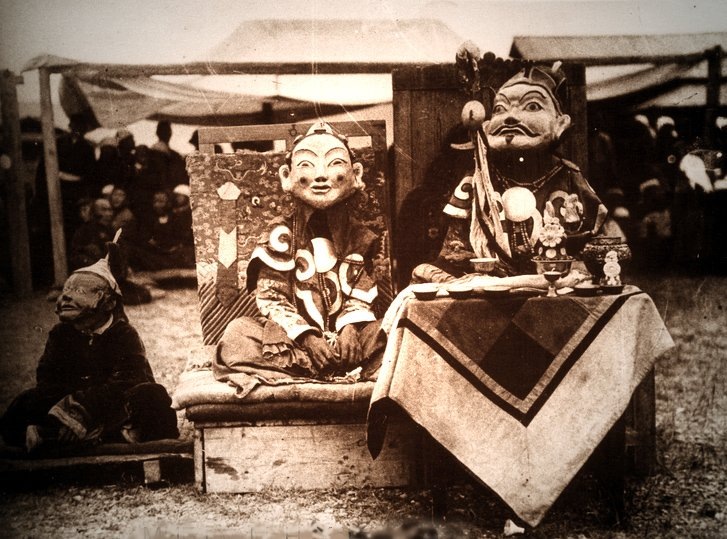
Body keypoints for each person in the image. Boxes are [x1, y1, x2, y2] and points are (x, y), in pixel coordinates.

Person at [214, 122, 386, 383]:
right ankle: (310, 367)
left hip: (351, 342)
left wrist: (350, 327)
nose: (321, 176)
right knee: (237, 335)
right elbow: (271, 298)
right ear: (287, 177)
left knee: (394, 329)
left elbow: (362, 292)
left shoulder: (361, 236)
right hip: (294, 342)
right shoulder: (280, 234)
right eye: (307, 165)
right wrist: (307, 337)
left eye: (334, 163)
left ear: (356, 175)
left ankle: (336, 367)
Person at [415, 62, 607, 283]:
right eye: (500, 109)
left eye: (532, 106)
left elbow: (597, 251)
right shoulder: (476, 181)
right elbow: (453, 253)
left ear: (560, 123)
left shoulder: (569, 177)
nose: (510, 118)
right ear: (487, 126)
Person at [0, 251, 178, 452]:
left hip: (114, 410)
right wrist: (69, 413)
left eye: (80, 291)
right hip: (67, 409)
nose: (67, 297)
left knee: (153, 396)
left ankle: (65, 437)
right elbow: (48, 381)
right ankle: (91, 436)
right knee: (24, 403)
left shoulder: (124, 334)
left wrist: (84, 411)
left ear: (109, 303)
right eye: (67, 290)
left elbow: (127, 382)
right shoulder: (61, 334)